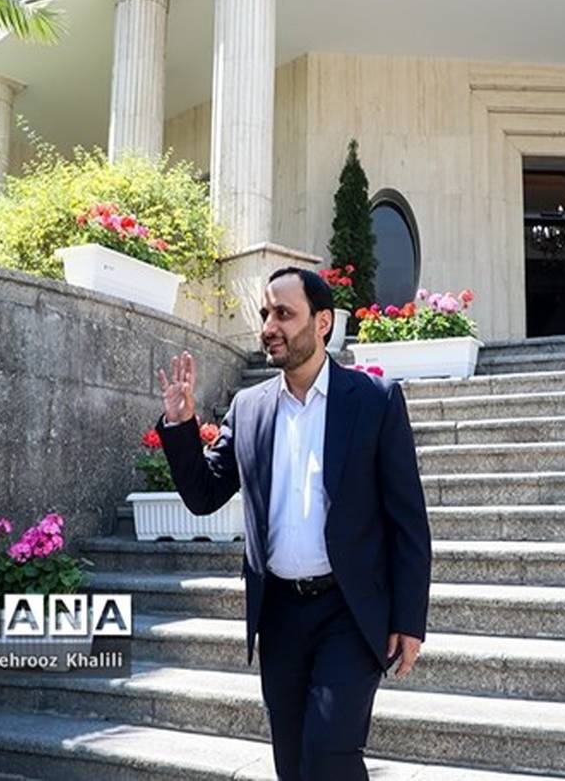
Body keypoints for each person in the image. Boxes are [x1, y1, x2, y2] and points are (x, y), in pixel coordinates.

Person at [153, 266, 432, 781]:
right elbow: (204, 495)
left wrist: (409, 619)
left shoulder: (373, 401)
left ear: (322, 322)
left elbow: (408, 519)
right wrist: (180, 424)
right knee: (292, 761)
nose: (269, 327)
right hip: (279, 613)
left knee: (329, 754)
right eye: (265, 314)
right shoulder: (250, 408)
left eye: (284, 313)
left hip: (349, 610)